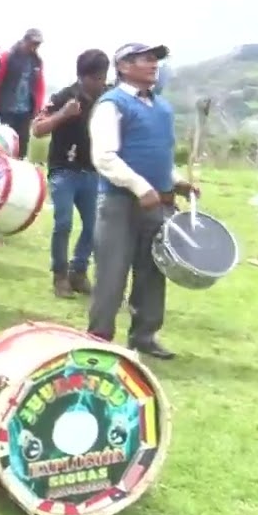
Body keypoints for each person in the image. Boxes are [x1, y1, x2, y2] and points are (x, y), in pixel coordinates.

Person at [87, 43, 197, 361]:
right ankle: (99, 338)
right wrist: (139, 186)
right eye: (146, 59)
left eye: (155, 60)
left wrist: (176, 181)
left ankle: (144, 335)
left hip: (158, 203)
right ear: (123, 66)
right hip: (120, 202)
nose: (153, 65)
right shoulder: (112, 105)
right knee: (112, 272)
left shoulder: (162, 107)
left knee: (153, 270)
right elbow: (104, 157)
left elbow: (157, 153)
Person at [32, 49, 110, 298]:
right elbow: (38, 129)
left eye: (102, 77)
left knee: (94, 226)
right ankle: (60, 275)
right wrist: (63, 114)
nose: (100, 83)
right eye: (95, 78)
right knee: (63, 222)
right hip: (64, 170)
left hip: (92, 170)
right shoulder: (65, 96)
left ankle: (79, 271)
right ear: (82, 77)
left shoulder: (108, 99)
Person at [0, 28, 46, 160]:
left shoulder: (37, 62)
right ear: (26, 41)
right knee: (4, 144)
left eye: (37, 44)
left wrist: (38, 109)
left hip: (25, 112)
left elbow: (39, 86)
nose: (35, 47)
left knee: (21, 146)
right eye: (33, 43)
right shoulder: (8, 56)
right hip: (6, 110)